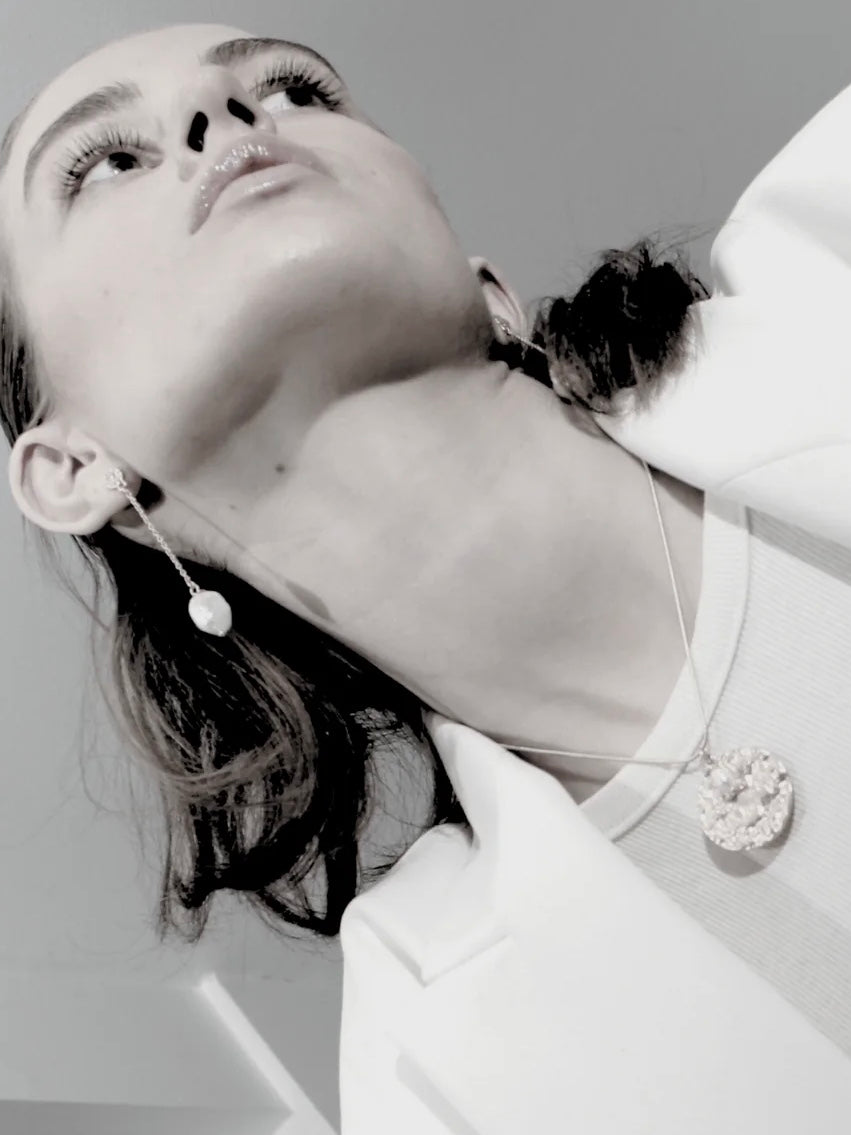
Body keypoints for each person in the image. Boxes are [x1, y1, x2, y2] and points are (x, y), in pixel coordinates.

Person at [3, 21, 851, 1133]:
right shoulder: (432, 1070)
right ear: (72, 468)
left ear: (488, 288)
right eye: (105, 161)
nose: (221, 116)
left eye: (295, 89)